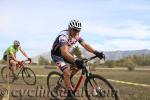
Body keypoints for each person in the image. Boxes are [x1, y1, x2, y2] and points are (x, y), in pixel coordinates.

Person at [51, 20, 105, 99]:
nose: (76, 32)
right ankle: (69, 94)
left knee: (79, 65)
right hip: (57, 54)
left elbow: (85, 45)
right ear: (69, 29)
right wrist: (75, 60)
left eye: (78, 30)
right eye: (74, 30)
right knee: (67, 72)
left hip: (66, 53)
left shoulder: (77, 36)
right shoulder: (63, 36)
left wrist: (96, 52)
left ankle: (67, 79)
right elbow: (64, 52)